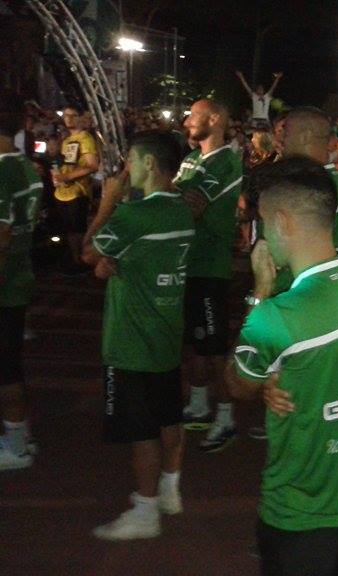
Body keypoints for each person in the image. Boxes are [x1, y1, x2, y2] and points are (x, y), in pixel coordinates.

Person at [227, 157, 338, 576]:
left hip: (299, 509)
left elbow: (238, 385)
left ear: (281, 221)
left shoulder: (277, 316)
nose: (259, 236)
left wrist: (260, 291)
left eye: (261, 223)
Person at [82, 131, 195, 540]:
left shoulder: (134, 215)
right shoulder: (181, 210)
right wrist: (111, 263)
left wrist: (108, 201)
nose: (125, 169)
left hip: (131, 339)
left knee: (142, 431)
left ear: (148, 164)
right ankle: (169, 490)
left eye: (130, 160)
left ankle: (145, 512)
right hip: (166, 333)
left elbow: (88, 251)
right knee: (169, 417)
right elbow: (123, 259)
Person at [175, 99, 243, 453]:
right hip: (189, 265)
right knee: (194, 342)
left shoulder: (225, 161)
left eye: (193, 115)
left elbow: (189, 206)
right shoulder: (191, 159)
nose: (187, 121)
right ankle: (200, 405)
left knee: (215, 348)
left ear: (214, 119)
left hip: (210, 268)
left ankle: (226, 418)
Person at [0, 97, 42, 470]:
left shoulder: (2, 170)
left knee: (6, 369)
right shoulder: (26, 167)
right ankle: (20, 434)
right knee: (10, 363)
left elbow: (1, 236)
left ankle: (15, 447)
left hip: (5, 282)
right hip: (19, 277)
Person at [281, 107, 338, 264]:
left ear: (305, 136)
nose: (281, 139)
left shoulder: (316, 186)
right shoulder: (334, 181)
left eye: (286, 133)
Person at [53, 105, 99, 273]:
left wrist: (68, 177)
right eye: (66, 115)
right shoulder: (66, 140)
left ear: (80, 118)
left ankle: (82, 261)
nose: (68, 119)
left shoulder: (85, 138)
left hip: (78, 191)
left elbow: (93, 165)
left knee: (77, 229)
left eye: (73, 115)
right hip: (62, 191)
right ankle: (75, 260)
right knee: (70, 229)